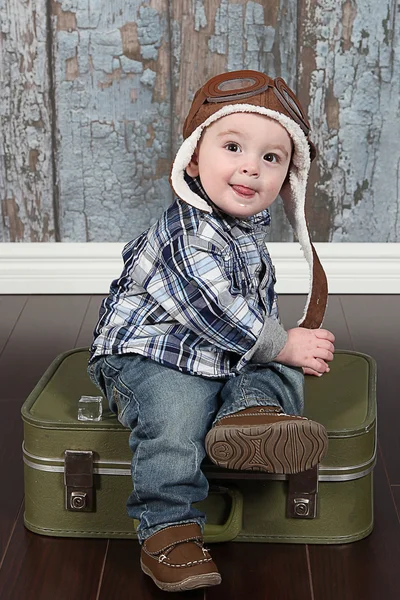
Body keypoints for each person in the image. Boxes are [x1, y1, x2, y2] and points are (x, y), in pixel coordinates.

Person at [88, 70, 335, 592]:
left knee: (273, 370)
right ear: (194, 160)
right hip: (150, 353)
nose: (252, 166)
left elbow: (250, 318)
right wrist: (285, 343)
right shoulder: (187, 231)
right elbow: (218, 309)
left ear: (288, 178)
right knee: (176, 416)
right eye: (233, 147)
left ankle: (252, 417)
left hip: (217, 350)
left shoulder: (247, 230)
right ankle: (168, 530)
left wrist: (277, 354)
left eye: (272, 158)